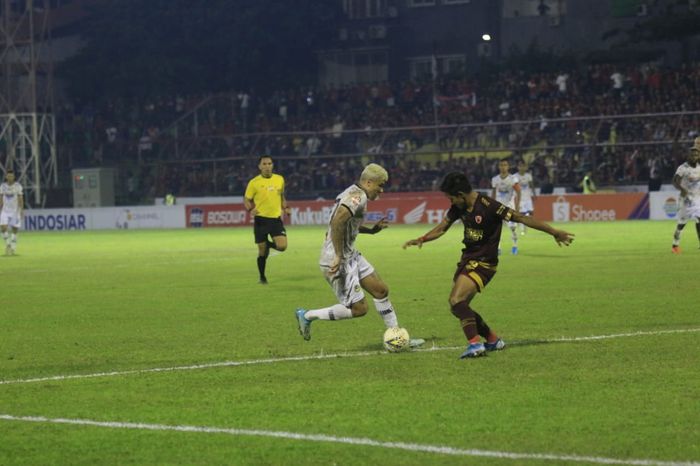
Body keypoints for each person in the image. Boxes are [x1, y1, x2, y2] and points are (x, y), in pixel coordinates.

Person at [402, 172, 574, 359]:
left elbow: (522, 218)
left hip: (484, 262)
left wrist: (554, 232)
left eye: (451, 197)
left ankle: (475, 345)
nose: (450, 201)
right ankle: (492, 340)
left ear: (460, 194)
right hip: (468, 259)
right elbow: (442, 227)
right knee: (458, 306)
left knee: (456, 300)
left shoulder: (489, 206)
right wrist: (422, 239)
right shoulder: (458, 206)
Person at [295, 163, 423, 347]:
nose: (382, 190)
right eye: (380, 185)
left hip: (349, 255)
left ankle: (397, 338)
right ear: (369, 182)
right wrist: (338, 255)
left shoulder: (355, 193)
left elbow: (347, 223)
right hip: (337, 259)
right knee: (359, 309)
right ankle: (307, 315)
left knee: (380, 290)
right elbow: (337, 221)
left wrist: (371, 231)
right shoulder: (358, 196)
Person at [244, 155, 290, 284]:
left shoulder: (279, 179)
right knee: (262, 252)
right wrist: (250, 209)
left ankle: (267, 244)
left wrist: (286, 208)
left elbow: (282, 196)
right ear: (259, 166)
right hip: (260, 220)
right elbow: (246, 199)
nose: (267, 166)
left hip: (275, 220)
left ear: (272, 165)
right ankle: (262, 277)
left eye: (269, 163)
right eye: (264, 164)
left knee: (282, 247)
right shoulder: (254, 183)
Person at [671, 147, 700, 254]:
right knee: (682, 223)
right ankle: (675, 245)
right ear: (688, 155)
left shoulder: (699, 167)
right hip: (686, 200)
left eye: (696, 155)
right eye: (692, 155)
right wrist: (682, 189)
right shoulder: (683, 168)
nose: (694, 157)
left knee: (699, 220)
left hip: (697, 199)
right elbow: (674, 181)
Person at [491, 159, 520, 254]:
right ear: (499, 167)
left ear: (508, 167)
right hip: (498, 207)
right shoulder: (495, 179)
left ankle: (515, 246)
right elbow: (494, 193)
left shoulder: (513, 179)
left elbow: (519, 192)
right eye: (501, 165)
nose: (503, 167)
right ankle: (498, 248)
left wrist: (517, 205)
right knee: (496, 228)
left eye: (505, 165)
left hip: (509, 207)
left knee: (512, 228)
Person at [0, 170, 24, 256]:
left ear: (14, 177)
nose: (10, 177)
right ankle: (8, 244)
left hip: (15, 211)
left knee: (15, 230)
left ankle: (13, 248)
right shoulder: (2, 186)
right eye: (8, 176)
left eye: (11, 176)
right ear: (6, 177)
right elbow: (1, 198)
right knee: (3, 228)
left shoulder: (18, 186)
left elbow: (20, 198)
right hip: (5, 211)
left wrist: (21, 210)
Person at [516, 160, 536, 236]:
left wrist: (534, 194)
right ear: (518, 167)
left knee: (529, 214)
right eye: (520, 166)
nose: (522, 167)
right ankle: (522, 229)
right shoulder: (515, 176)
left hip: (528, 198)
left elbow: (531, 185)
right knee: (522, 214)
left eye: (524, 166)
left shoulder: (528, 176)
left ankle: (525, 227)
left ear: (526, 167)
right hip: (520, 198)